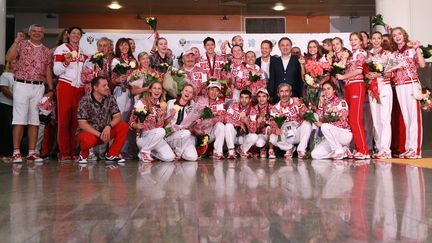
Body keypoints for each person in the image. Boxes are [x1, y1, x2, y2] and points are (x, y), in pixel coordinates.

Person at [6, 25, 54, 163]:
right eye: (34, 31)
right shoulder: (21, 44)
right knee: (19, 119)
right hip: (22, 84)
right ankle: (16, 152)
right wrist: (16, 41)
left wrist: (50, 89)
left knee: (35, 120)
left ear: (43, 34)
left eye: (40, 32)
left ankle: (32, 152)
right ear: (29, 33)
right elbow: (9, 57)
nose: (37, 34)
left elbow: (48, 71)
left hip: (38, 86)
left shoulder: (46, 51)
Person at [53, 26, 88, 162]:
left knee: (76, 122)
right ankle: (63, 152)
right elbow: (56, 71)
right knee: (64, 120)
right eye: (73, 33)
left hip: (79, 88)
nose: (76, 35)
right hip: (66, 85)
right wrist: (66, 62)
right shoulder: (62, 49)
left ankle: (74, 151)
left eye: (78, 34)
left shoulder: (82, 51)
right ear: (68, 34)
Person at [390, 27, 425, 159]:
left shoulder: (411, 50)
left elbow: (421, 64)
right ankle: (408, 148)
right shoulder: (394, 54)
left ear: (404, 35)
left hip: (411, 85)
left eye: (399, 34)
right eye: (394, 35)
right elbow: (388, 70)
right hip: (399, 86)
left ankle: (415, 149)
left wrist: (417, 49)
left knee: (414, 118)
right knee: (406, 118)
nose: (397, 36)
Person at [76, 77, 128, 163]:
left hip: (104, 132)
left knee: (123, 126)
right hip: (89, 133)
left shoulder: (110, 98)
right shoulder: (85, 100)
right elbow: (82, 124)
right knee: (88, 140)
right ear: (95, 88)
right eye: (104, 86)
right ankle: (83, 154)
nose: (107, 87)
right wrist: (99, 134)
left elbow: (117, 116)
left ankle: (112, 154)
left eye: (107, 85)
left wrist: (108, 126)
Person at [336, 32, 369, 159]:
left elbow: (359, 70)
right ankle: (359, 148)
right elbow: (343, 68)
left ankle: (363, 150)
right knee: (352, 119)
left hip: (357, 86)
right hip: (348, 87)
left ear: (361, 41)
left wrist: (343, 76)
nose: (353, 41)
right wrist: (343, 60)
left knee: (355, 119)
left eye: (356, 39)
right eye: (351, 40)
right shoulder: (350, 55)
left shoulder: (361, 53)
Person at [129, 81, 175, 162]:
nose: (157, 91)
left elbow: (159, 127)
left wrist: (161, 117)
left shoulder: (161, 106)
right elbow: (131, 121)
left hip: (156, 137)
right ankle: (144, 151)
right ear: (150, 90)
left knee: (170, 157)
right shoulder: (142, 102)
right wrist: (138, 126)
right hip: (144, 137)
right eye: (154, 88)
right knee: (161, 131)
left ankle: (149, 153)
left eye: (159, 89)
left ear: (161, 91)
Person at [366, 31, 393, 159]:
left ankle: (386, 149)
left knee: (384, 119)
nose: (376, 40)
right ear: (370, 40)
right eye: (374, 38)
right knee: (376, 120)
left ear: (382, 40)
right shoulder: (368, 55)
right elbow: (365, 72)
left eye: (378, 38)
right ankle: (378, 147)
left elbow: (391, 74)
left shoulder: (388, 54)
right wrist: (368, 75)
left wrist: (379, 74)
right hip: (372, 88)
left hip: (384, 87)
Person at [269, 83, 312, 159]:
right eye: (281, 91)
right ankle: (289, 148)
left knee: (307, 123)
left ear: (290, 93)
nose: (284, 94)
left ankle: (301, 150)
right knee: (272, 137)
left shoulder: (297, 102)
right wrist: (275, 130)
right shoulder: (274, 108)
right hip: (285, 136)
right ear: (278, 94)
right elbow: (272, 124)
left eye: (286, 91)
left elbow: (307, 115)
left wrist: (300, 105)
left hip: (298, 133)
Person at [311, 81, 352, 159]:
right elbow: (320, 119)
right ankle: (343, 150)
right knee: (315, 155)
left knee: (324, 126)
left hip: (344, 134)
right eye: (324, 89)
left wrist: (324, 124)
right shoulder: (324, 104)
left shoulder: (341, 102)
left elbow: (343, 121)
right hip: (331, 137)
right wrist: (320, 104)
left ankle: (339, 151)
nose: (326, 91)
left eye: (328, 89)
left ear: (334, 90)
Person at [164, 84, 198, 161]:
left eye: (190, 92)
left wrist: (194, 123)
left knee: (192, 157)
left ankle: (178, 151)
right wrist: (171, 116)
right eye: (186, 90)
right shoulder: (171, 103)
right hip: (171, 135)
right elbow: (164, 124)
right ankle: (177, 152)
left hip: (184, 137)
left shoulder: (192, 107)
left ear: (192, 95)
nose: (187, 93)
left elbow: (192, 128)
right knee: (185, 133)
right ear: (182, 91)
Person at [194, 81, 226, 159]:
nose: (214, 92)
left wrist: (211, 120)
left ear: (219, 93)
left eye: (216, 90)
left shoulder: (220, 103)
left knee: (220, 125)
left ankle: (218, 152)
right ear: (207, 90)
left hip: (210, 132)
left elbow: (222, 117)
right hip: (197, 132)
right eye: (212, 89)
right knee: (193, 156)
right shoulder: (200, 99)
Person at [225, 90, 258, 158]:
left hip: (243, 137)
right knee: (228, 125)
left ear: (250, 99)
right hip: (232, 136)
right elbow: (226, 118)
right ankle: (231, 151)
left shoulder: (253, 110)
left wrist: (247, 122)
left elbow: (254, 130)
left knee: (254, 136)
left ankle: (241, 150)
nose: (244, 100)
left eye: (246, 98)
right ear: (239, 98)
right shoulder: (233, 105)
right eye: (242, 97)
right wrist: (239, 123)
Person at [0, 60, 16, 162]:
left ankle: (11, 152)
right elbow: (4, 89)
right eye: (14, 62)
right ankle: (4, 153)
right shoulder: (5, 75)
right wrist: (16, 98)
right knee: (5, 129)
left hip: (16, 106)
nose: (16, 64)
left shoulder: (20, 76)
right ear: (9, 64)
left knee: (12, 129)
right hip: (5, 105)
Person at [252, 88, 273, 158]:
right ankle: (262, 148)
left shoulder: (272, 108)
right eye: (259, 96)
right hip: (259, 134)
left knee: (270, 128)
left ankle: (271, 150)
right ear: (256, 98)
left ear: (268, 97)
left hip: (271, 134)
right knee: (259, 143)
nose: (261, 99)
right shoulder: (254, 109)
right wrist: (259, 119)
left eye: (264, 96)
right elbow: (252, 128)